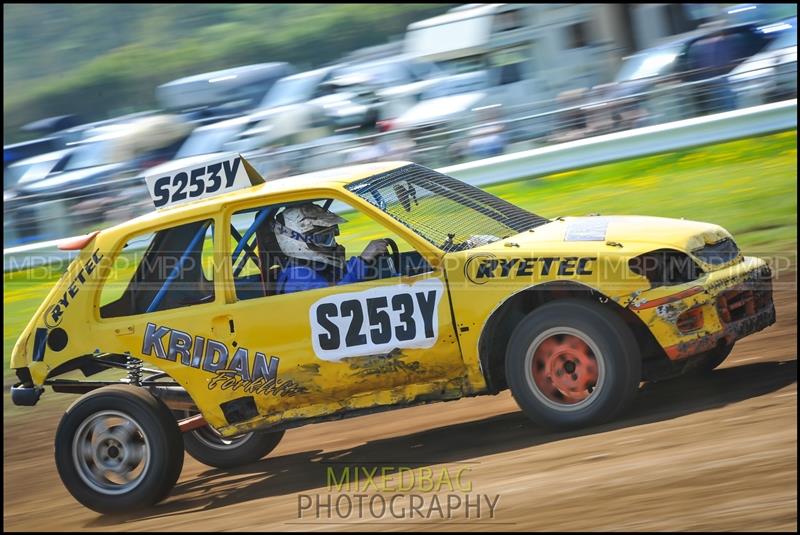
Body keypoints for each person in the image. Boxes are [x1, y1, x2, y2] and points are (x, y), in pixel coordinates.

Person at [272, 203, 388, 294]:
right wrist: (363, 260)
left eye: (332, 236)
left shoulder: (316, 266)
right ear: (295, 242)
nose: (333, 244)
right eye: (324, 238)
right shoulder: (299, 275)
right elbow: (337, 299)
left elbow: (341, 277)